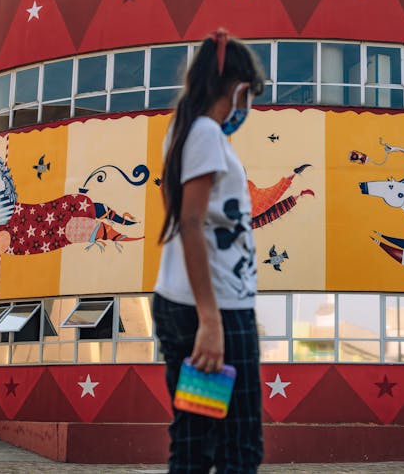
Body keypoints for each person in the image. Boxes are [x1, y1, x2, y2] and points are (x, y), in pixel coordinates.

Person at [153, 28, 265, 473]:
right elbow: (192, 223)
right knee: (239, 447)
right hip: (216, 307)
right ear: (239, 89)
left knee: (197, 443)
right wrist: (211, 320)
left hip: (201, 302)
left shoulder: (186, 128)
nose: (248, 106)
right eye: (250, 95)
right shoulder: (204, 132)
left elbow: (183, 214)